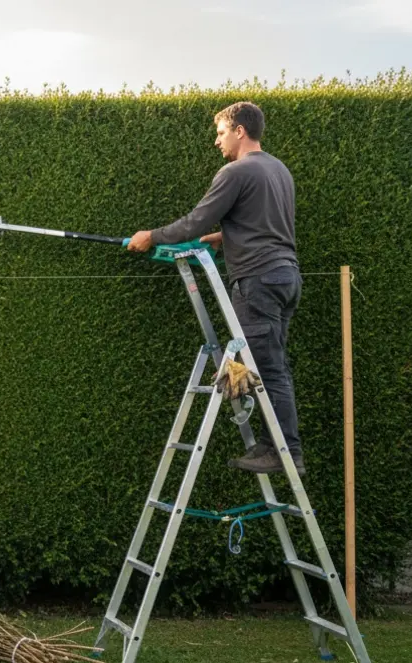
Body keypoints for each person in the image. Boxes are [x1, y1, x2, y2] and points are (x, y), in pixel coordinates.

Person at [126, 101, 304, 476]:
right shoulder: (279, 170)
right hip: (286, 276)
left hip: (257, 278)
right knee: (275, 366)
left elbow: (195, 220)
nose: (217, 141)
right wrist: (227, 237)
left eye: (221, 132)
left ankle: (284, 453)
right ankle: (283, 448)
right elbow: (266, 224)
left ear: (240, 130)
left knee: (262, 369)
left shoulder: (235, 172)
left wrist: (150, 236)